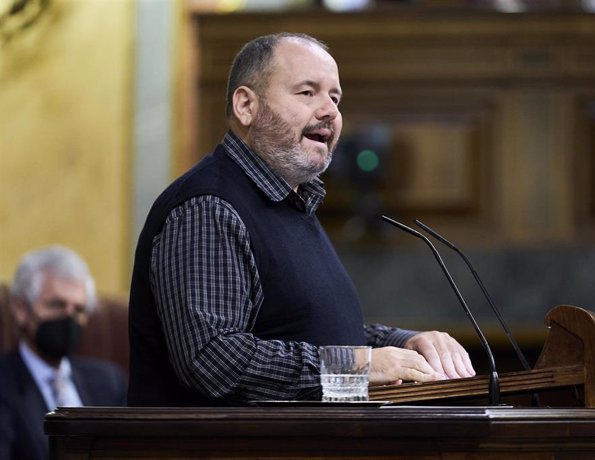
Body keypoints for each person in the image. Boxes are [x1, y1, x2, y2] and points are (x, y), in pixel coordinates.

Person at [128, 32, 475, 406]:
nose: (329, 111)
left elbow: (308, 333)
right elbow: (213, 359)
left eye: (335, 97)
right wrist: (358, 367)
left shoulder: (290, 202)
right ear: (247, 105)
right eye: (307, 93)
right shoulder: (209, 206)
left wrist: (401, 343)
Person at [0, 245, 127, 460]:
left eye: (78, 310)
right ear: (21, 310)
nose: (69, 319)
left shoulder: (109, 382)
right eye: (57, 305)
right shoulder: (4, 383)